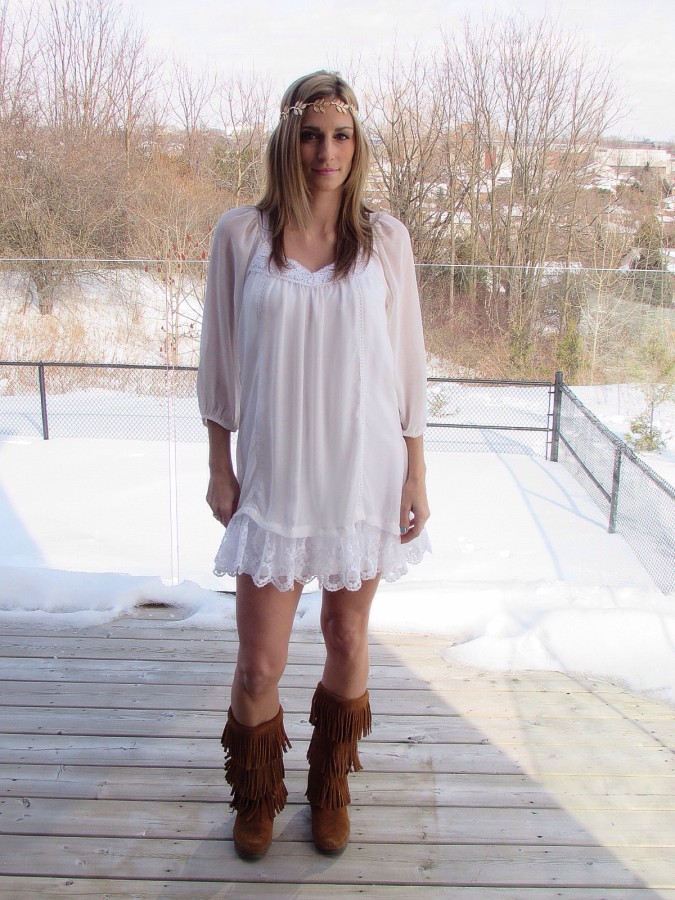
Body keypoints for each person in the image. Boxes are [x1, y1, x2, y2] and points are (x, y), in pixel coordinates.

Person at [197, 70, 430, 860]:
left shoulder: (384, 240)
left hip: (363, 469)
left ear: (356, 144)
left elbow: (406, 364)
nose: (325, 151)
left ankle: (329, 790)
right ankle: (256, 795)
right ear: (286, 140)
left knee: (345, 634)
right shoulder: (241, 236)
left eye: (340, 135)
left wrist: (414, 471)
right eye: (309, 135)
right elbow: (219, 359)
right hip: (276, 474)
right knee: (258, 663)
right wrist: (219, 462)